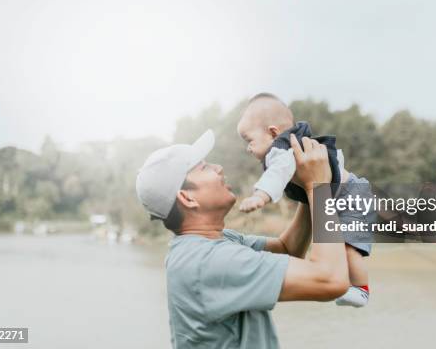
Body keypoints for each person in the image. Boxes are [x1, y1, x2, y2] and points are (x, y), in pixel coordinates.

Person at [135, 129, 349, 348]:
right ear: (187, 197)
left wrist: (305, 189)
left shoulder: (210, 244)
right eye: (205, 167)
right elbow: (331, 279)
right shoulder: (209, 261)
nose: (218, 168)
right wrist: (319, 187)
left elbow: (288, 249)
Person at [237, 93, 375, 307]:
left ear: (273, 132)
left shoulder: (280, 152)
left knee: (349, 248)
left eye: (249, 140)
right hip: (346, 193)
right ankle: (355, 286)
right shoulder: (292, 147)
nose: (248, 148)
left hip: (351, 195)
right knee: (345, 247)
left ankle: (361, 289)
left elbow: (277, 175)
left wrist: (260, 195)